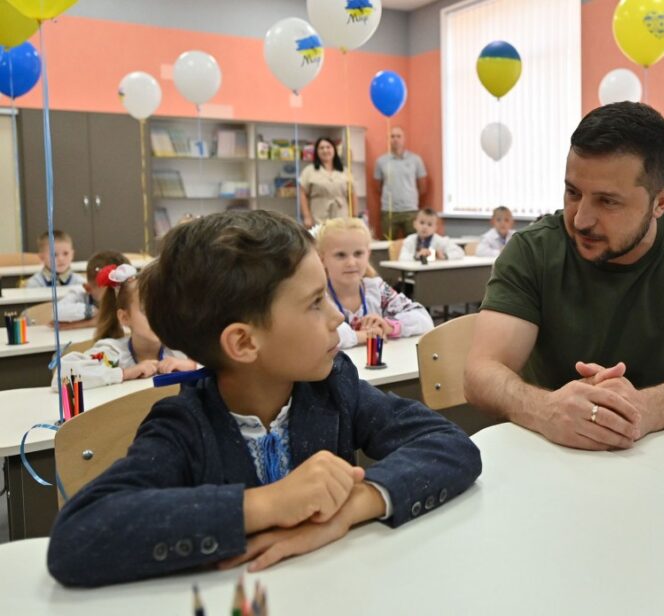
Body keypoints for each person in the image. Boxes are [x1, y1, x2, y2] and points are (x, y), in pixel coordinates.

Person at [47, 210, 481, 587]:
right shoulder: (183, 423)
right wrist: (269, 504)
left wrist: (353, 506)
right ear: (243, 343)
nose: (336, 318)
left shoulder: (334, 388)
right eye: (315, 303)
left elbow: (450, 444)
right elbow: (81, 535)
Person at [464, 102, 664, 451]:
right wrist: (546, 409)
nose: (581, 219)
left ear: (661, 201)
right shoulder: (533, 250)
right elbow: (480, 373)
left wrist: (643, 409)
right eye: (573, 193)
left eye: (607, 202)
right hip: (549, 457)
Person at [54, 263, 195, 389]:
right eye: (147, 310)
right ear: (125, 317)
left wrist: (192, 367)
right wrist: (124, 373)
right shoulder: (113, 354)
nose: (158, 318)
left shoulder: (179, 349)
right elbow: (62, 376)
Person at [317, 217, 433, 348]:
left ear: (368, 254)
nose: (351, 263)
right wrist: (362, 336)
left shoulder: (378, 289)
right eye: (340, 255)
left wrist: (389, 326)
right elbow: (316, 334)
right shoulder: (318, 297)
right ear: (322, 259)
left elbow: (424, 319)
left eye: (358, 253)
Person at [374, 126, 427, 239]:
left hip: (410, 210)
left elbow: (422, 186)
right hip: (389, 211)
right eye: (392, 136)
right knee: (386, 245)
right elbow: (377, 186)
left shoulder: (415, 160)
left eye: (398, 136)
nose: (395, 139)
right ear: (389, 139)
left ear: (404, 139)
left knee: (414, 244)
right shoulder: (381, 161)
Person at [55, 250, 130, 328]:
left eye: (123, 289)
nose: (118, 296)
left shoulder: (132, 296)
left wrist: (87, 323)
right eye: (109, 293)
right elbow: (57, 312)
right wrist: (97, 312)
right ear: (88, 289)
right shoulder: (80, 295)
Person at [299, 137, 355, 228]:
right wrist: (307, 216)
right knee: (320, 239)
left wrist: (354, 216)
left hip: (342, 215)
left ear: (334, 150)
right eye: (321, 148)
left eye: (328, 147)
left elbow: (352, 194)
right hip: (318, 215)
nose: (325, 150)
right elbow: (303, 194)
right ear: (317, 152)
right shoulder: (309, 171)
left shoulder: (344, 171)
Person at [398, 208, 464, 262]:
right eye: (422, 223)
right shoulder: (410, 240)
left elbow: (460, 252)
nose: (425, 227)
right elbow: (402, 257)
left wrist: (444, 256)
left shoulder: (441, 241)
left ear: (435, 228)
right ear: (415, 224)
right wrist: (417, 256)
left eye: (429, 224)